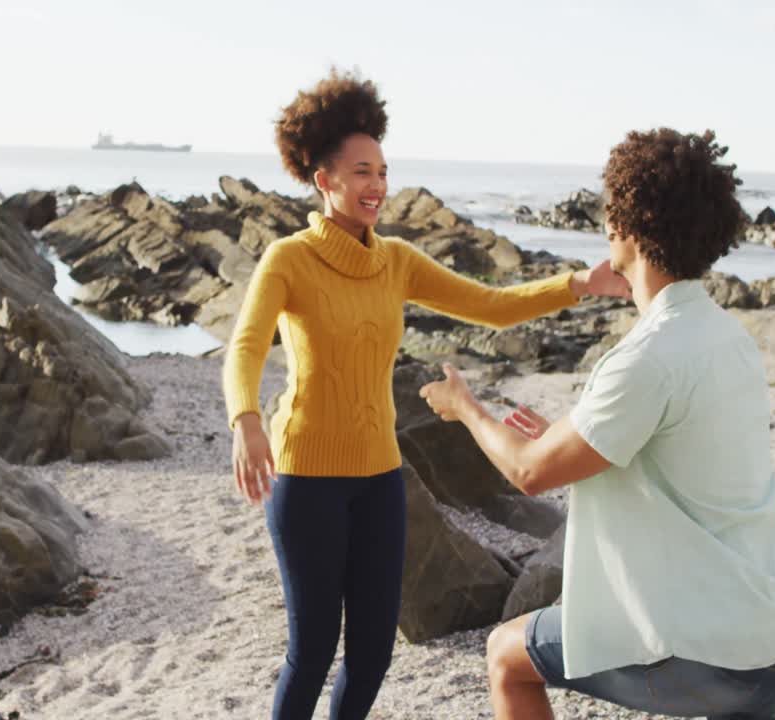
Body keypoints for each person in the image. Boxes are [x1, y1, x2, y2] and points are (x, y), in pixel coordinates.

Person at [221, 69, 629, 720]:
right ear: (324, 179)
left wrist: (577, 283)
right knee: (313, 649)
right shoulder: (289, 260)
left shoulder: (397, 260)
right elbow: (245, 346)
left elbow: (489, 306)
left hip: (381, 480)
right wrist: (245, 420)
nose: (376, 185)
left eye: (381, 171)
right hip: (307, 483)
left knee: (374, 654)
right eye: (360, 172)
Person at [419, 128, 775, 720]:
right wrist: (567, 433)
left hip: (718, 660)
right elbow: (677, 452)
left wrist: (466, 407)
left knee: (506, 655)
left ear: (625, 227)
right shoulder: (727, 337)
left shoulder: (645, 358)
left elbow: (528, 473)